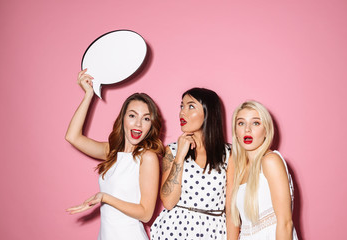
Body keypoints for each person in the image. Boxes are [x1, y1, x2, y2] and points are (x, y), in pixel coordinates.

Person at [65, 69, 164, 240]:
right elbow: (72, 136)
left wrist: (105, 198)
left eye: (146, 118)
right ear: (123, 119)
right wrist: (88, 94)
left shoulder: (147, 157)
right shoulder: (111, 152)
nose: (138, 124)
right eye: (132, 115)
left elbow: (146, 214)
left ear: (151, 125)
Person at [150, 87, 239, 240]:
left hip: (214, 232)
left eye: (191, 106)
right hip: (174, 230)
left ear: (208, 113)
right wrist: (180, 156)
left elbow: (232, 209)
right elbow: (168, 202)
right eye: (182, 106)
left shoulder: (229, 154)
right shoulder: (172, 150)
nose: (182, 112)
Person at [230, 100, 298, 239]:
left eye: (256, 123)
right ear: (236, 132)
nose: (247, 129)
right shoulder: (240, 169)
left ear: (266, 130)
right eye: (241, 123)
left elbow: (285, 223)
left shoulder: (270, 161)